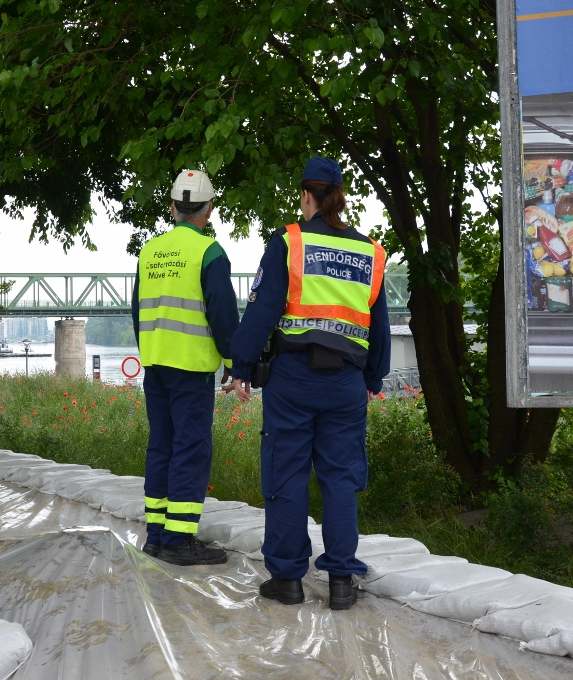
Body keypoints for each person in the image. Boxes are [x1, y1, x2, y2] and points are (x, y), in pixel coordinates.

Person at [227, 157, 390, 610]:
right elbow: (379, 325)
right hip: (346, 384)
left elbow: (262, 309)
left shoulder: (289, 241)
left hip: (293, 380)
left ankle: (287, 580)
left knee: (287, 475)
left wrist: (241, 365)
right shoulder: (370, 252)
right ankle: (341, 580)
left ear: (306, 196)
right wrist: (373, 378)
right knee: (340, 478)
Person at [131, 169, 240, 565]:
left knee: (161, 445)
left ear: (173, 207)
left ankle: (157, 535)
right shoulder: (209, 253)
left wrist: (152, 352)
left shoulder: (149, 252)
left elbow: (137, 313)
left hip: (156, 365)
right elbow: (224, 317)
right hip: (191, 369)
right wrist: (233, 362)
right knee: (190, 449)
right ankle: (178, 540)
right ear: (208, 209)